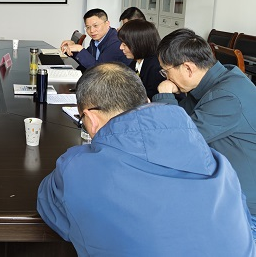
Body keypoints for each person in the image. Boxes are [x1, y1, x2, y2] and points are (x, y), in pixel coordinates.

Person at [37, 62, 255, 256]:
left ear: (91, 119)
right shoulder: (219, 164)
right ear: (148, 101)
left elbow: (52, 209)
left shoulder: (77, 169)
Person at [152, 28, 256, 238]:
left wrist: (165, 94)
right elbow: (181, 122)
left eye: (166, 71)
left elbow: (176, 143)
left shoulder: (227, 97)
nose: (166, 77)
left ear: (188, 68)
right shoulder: (217, 80)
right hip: (222, 189)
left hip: (244, 210)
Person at [60, 8, 131, 71]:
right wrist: (70, 48)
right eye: (88, 27)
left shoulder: (116, 42)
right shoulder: (97, 39)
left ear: (107, 24)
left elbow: (99, 70)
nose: (91, 31)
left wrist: (80, 49)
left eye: (95, 26)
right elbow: (87, 60)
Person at [117, 19, 163, 98]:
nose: (121, 47)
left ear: (139, 44)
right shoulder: (135, 62)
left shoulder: (156, 69)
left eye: (124, 45)